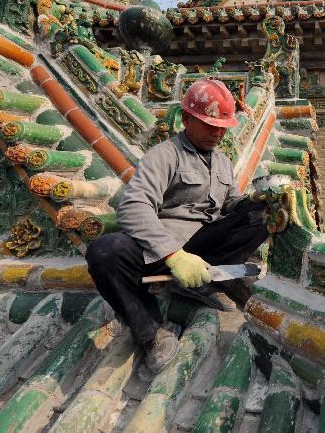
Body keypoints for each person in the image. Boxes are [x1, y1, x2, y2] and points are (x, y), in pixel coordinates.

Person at [86, 79, 268, 373]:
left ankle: (216, 279)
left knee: (263, 213)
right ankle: (150, 335)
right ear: (186, 119)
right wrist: (173, 254)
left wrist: (260, 199)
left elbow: (232, 202)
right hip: (163, 253)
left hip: (204, 247)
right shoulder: (165, 155)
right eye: (209, 124)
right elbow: (133, 207)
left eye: (222, 126)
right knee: (105, 251)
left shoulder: (221, 161)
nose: (217, 132)